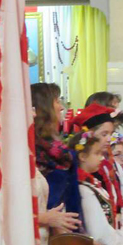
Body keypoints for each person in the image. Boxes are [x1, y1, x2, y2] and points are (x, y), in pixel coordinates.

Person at [69, 130, 123, 245]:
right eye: (97, 153)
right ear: (82, 156)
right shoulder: (82, 188)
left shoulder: (91, 184)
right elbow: (99, 231)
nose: (102, 158)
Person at [32, 83, 82, 226]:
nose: (61, 107)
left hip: (63, 228)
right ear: (44, 107)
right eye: (57, 101)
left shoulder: (61, 153)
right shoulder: (34, 150)